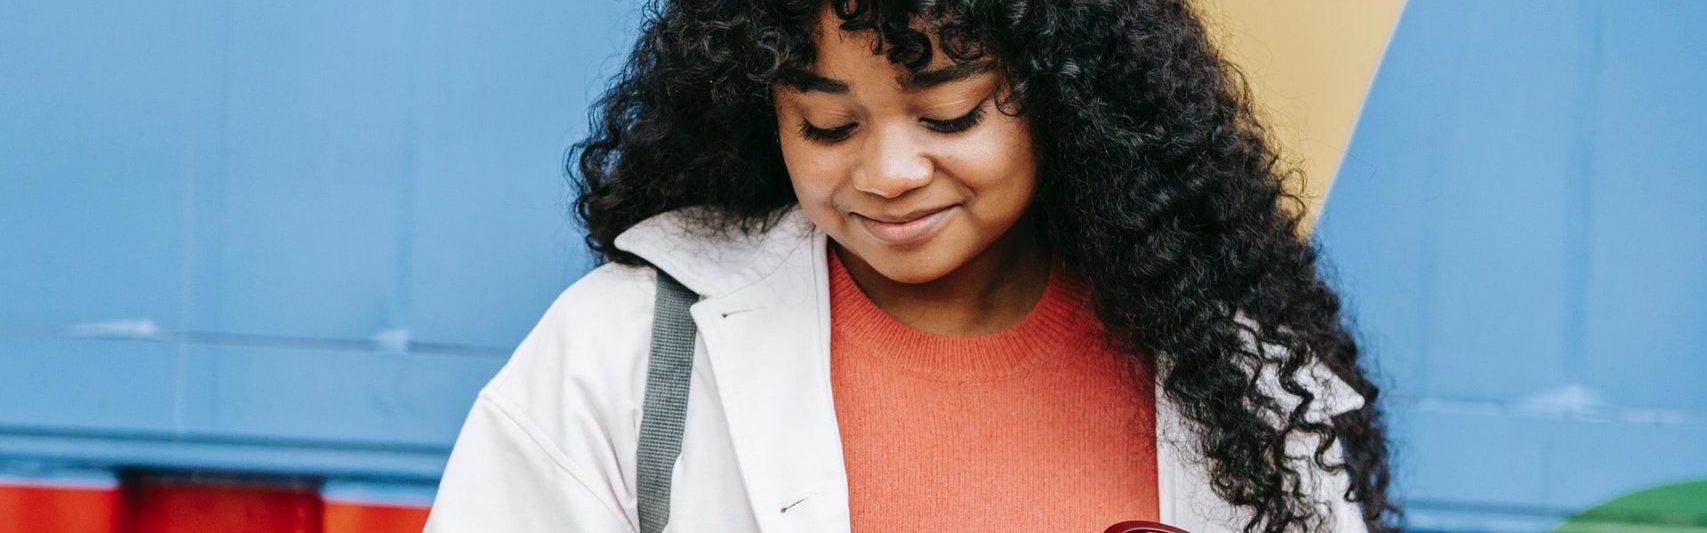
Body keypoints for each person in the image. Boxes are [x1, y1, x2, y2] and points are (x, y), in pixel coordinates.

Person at [424, 0, 1397, 531]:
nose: (888, 172)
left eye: (950, 115)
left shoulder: (1233, 375)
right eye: (829, 123)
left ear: (1068, 95)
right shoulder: (621, 353)